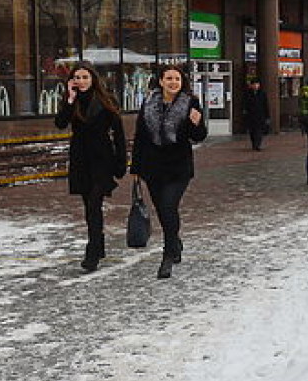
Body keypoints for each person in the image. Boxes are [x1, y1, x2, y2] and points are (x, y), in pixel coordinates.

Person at [130, 65, 208, 279]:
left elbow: (199, 136)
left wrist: (197, 123)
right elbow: (140, 137)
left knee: (168, 206)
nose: (173, 82)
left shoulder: (190, 103)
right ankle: (175, 241)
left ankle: (168, 254)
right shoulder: (148, 103)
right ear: (161, 81)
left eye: (177, 79)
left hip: (178, 167)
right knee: (164, 211)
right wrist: (135, 168)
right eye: (169, 78)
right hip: (152, 167)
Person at [55, 60, 127, 272]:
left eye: (85, 77)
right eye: (77, 77)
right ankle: (99, 242)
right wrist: (69, 99)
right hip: (80, 159)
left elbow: (119, 134)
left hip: (102, 159)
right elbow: (60, 123)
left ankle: (93, 251)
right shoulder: (72, 100)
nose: (81, 81)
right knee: (89, 206)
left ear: (93, 79)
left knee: (95, 204)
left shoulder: (106, 100)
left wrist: (121, 161)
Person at [241, 78, 269, 151]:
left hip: (260, 115)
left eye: (257, 84)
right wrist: (245, 112)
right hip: (251, 116)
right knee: (252, 131)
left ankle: (257, 145)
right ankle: (254, 143)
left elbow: (265, 105)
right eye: (254, 84)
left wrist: (267, 116)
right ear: (251, 85)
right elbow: (245, 104)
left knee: (259, 131)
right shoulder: (247, 94)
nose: (256, 86)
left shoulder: (262, 94)